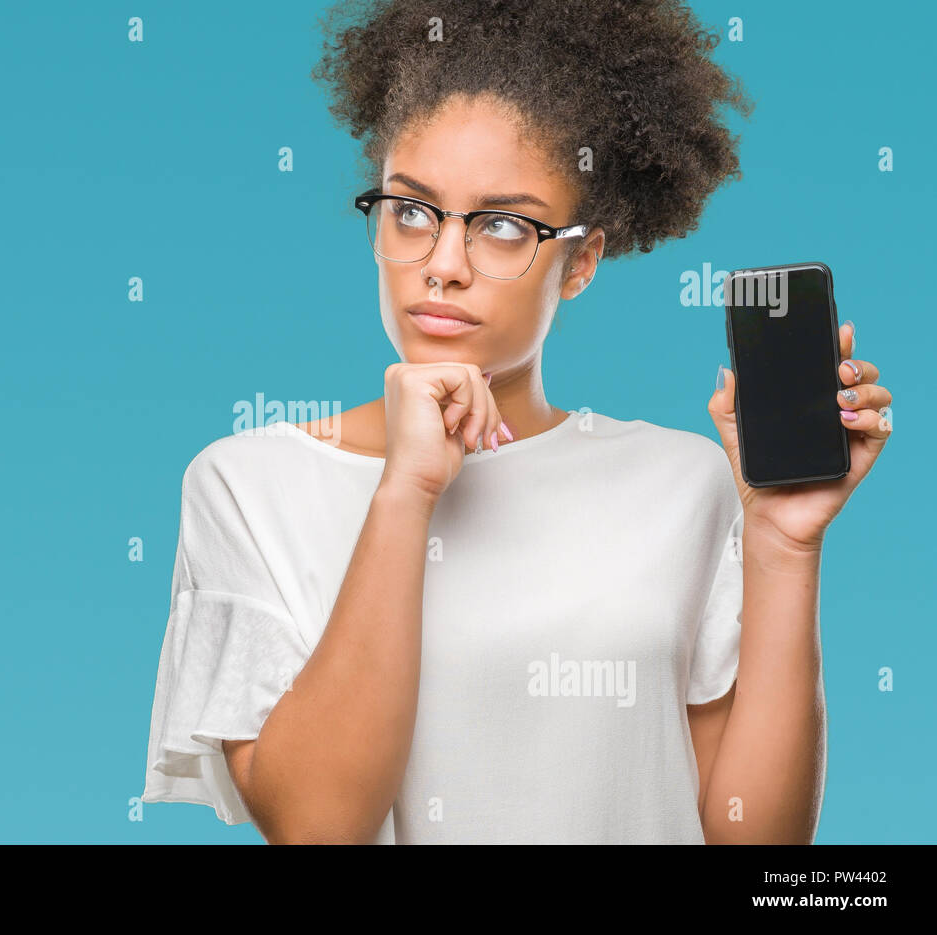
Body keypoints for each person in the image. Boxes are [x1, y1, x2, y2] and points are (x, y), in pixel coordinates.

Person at [140, 0, 894, 844]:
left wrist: (786, 547)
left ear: (581, 261)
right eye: (412, 211)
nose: (445, 265)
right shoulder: (248, 484)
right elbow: (319, 827)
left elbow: (759, 851)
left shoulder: (685, 482)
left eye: (502, 225)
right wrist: (407, 489)